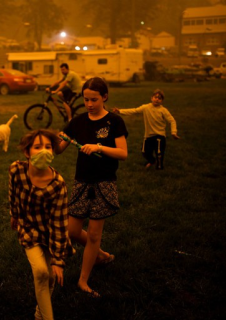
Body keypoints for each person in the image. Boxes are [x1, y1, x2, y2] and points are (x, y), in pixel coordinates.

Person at [55, 77, 128, 298]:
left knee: (94, 235)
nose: (89, 104)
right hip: (82, 181)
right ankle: (102, 255)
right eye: (86, 99)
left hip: (104, 182)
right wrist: (44, 142)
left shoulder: (114, 122)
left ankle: (83, 280)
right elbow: (59, 149)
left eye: (94, 100)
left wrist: (99, 147)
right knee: (72, 231)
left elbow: (123, 153)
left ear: (104, 97)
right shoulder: (78, 122)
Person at [9, 129, 74, 320]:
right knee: (40, 271)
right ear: (27, 152)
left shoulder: (58, 184)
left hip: (50, 233)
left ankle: (40, 311)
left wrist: (58, 260)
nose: (44, 151)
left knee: (51, 276)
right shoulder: (16, 170)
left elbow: (60, 223)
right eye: (37, 147)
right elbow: (12, 192)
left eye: (48, 147)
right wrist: (14, 214)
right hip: (28, 229)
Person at [112, 89, 179, 170]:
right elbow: (134, 110)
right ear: (151, 98)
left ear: (162, 101)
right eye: (155, 97)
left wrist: (173, 132)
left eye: (159, 98)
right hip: (148, 135)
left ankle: (159, 168)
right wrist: (120, 111)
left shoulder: (163, 111)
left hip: (160, 135)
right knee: (145, 152)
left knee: (159, 153)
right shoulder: (146, 107)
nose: (157, 99)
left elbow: (172, 120)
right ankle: (152, 161)